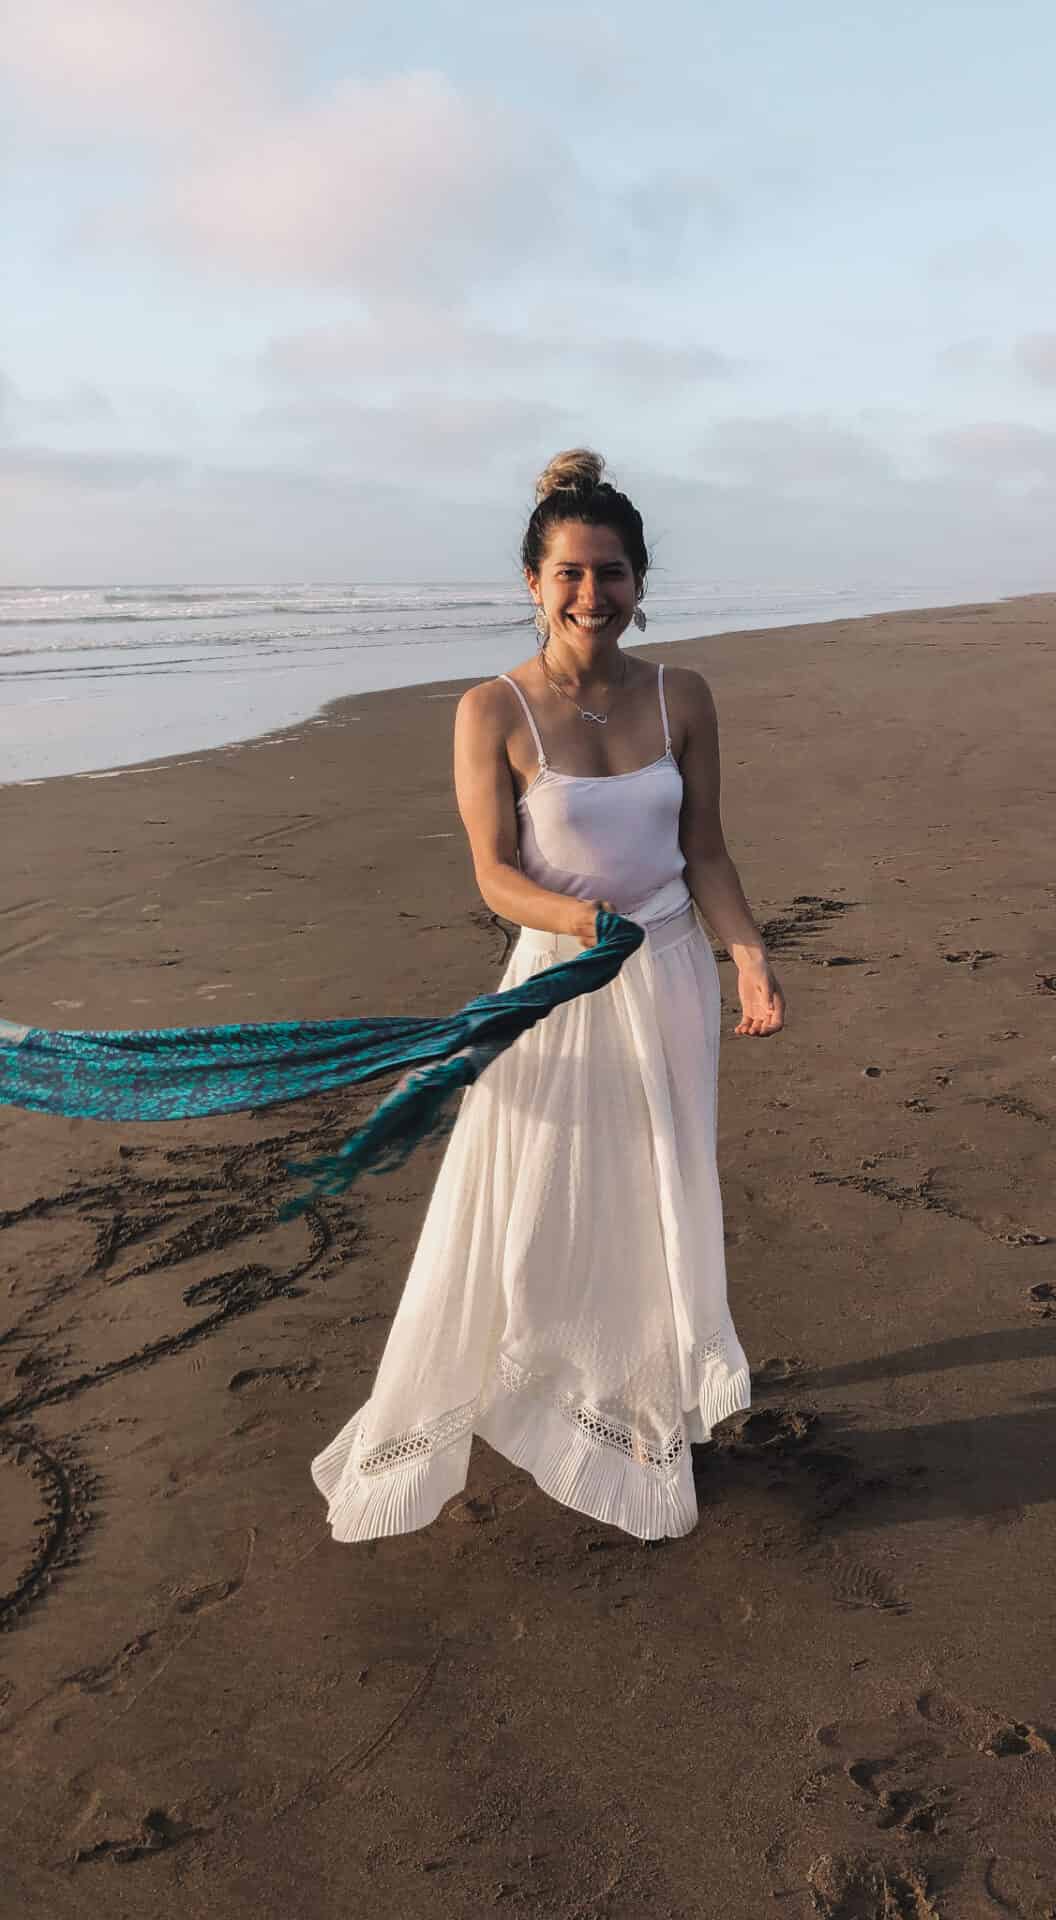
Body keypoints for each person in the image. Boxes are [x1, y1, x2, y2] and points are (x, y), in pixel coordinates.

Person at [311, 450, 784, 1542]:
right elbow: (493, 873)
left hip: (667, 976)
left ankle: (650, 1402)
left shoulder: (685, 696)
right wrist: (582, 927)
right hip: (561, 983)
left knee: (664, 1184)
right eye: (570, 573)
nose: (591, 595)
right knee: (536, 1197)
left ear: (638, 580)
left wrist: (746, 952)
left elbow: (704, 849)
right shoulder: (492, 710)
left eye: (610, 573)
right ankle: (539, 1390)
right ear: (533, 581)